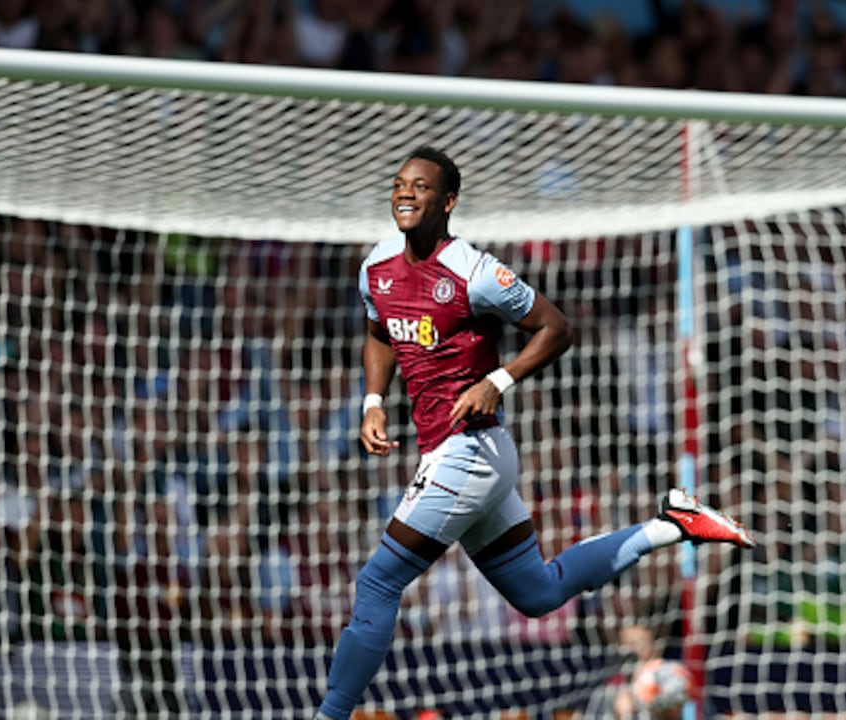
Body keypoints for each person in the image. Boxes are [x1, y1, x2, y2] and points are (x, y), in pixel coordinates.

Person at [314, 146, 756, 720]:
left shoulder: (475, 272)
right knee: (539, 593)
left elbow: (556, 327)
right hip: (464, 456)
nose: (405, 193)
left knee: (378, 583)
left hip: (469, 452)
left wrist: (497, 380)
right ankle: (673, 524)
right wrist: (373, 401)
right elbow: (379, 331)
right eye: (400, 183)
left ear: (447, 202)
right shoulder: (376, 266)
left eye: (420, 186)